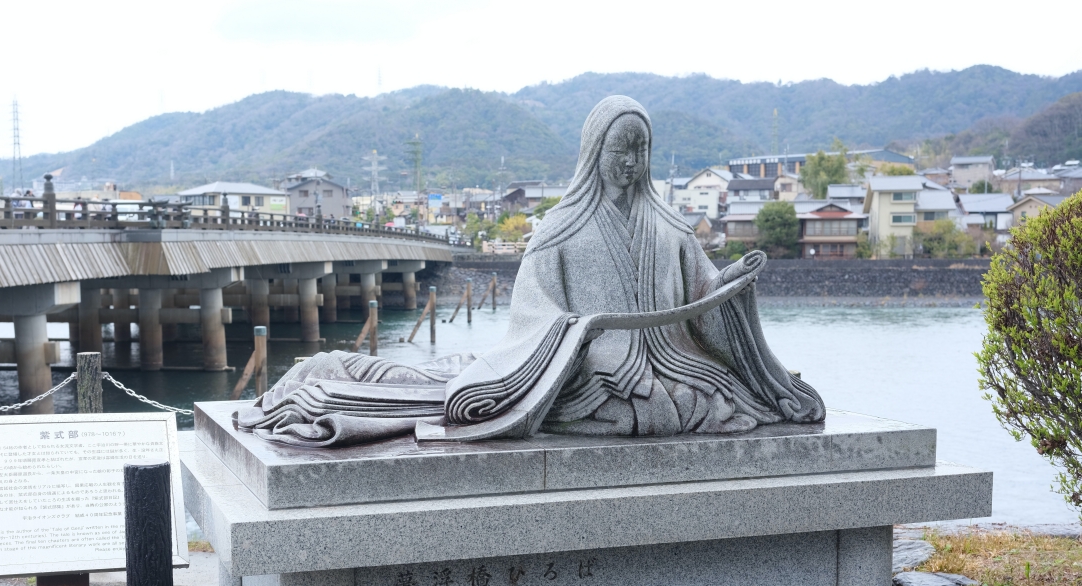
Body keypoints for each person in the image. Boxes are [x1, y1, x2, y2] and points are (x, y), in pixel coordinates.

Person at [236, 95, 822, 446]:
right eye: (620, 148)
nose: (631, 162)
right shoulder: (559, 229)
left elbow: (700, 293)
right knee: (453, 386)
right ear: (596, 151)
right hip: (577, 369)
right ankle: (336, 375)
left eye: (640, 149)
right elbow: (534, 316)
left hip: (668, 367)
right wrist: (578, 337)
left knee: (714, 399)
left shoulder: (669, 228)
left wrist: (729, 288)